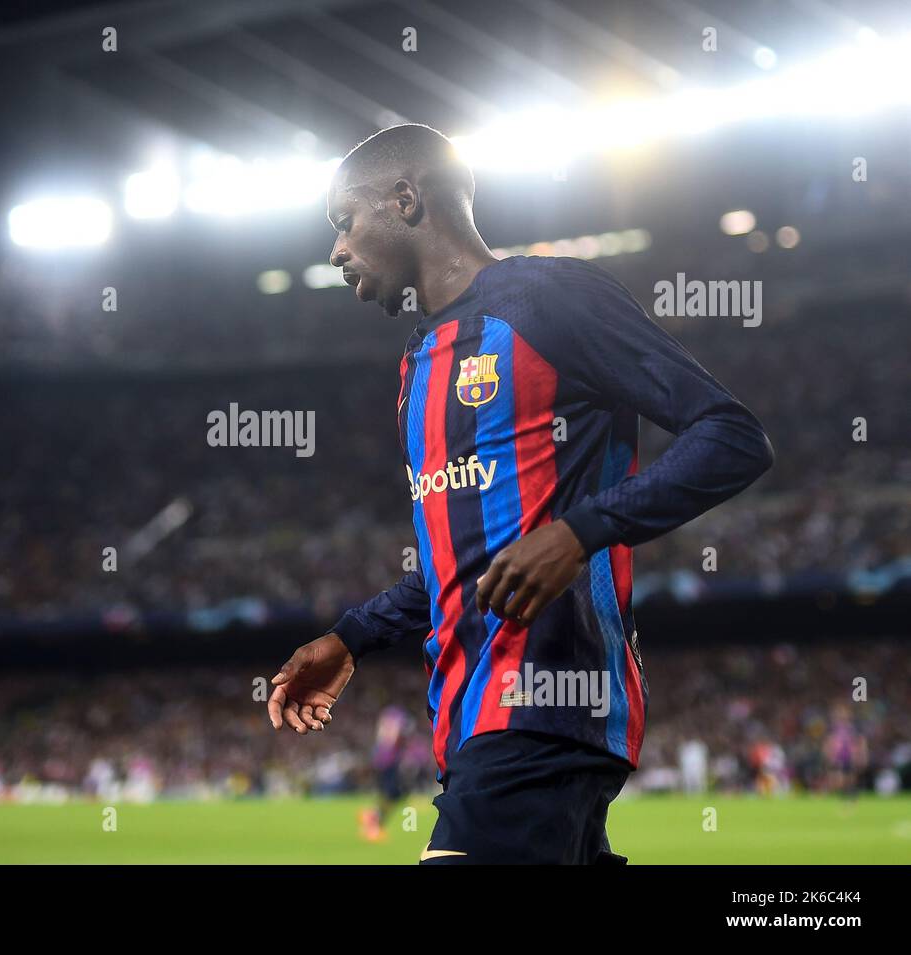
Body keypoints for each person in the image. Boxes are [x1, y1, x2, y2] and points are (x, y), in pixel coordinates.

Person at [267, 124, 773, 864]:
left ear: (405, 200)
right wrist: (353, 635)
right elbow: (466, 560)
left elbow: (731, 435)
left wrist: (580, 531)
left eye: (344, 224)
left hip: (543, 707)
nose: (337, 251)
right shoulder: (417, 368)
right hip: (475, 720)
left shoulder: (547, 300)